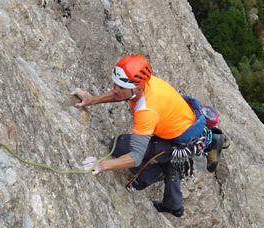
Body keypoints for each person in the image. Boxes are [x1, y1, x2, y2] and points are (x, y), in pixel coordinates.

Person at [71, 55, 208, 217]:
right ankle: (173, 202)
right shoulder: (146, 84)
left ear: (137, 88)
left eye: (121, 87)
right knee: (159, 152)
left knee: (120, 145)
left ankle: (152, 174)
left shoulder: (146, 111)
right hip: (182, 129)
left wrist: (102, 165)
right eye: (115, 84)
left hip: (180, 140)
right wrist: (92, 100)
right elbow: (120, 94)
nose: (115, 89)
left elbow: (135, 157)